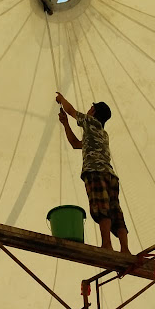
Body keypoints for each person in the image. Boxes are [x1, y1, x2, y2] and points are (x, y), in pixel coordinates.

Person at [55, 92, 129, 253]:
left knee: (101, 207)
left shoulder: (90, 122)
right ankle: (125, 249)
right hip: (110, 175)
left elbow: (71, 110)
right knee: (115, 210)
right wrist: (65, 124)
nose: (88, 110)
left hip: (95, 171)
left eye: (90, 108)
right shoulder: (102, 134)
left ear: (94, 112)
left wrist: (61, 99)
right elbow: (76, 144)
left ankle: (107, 245)